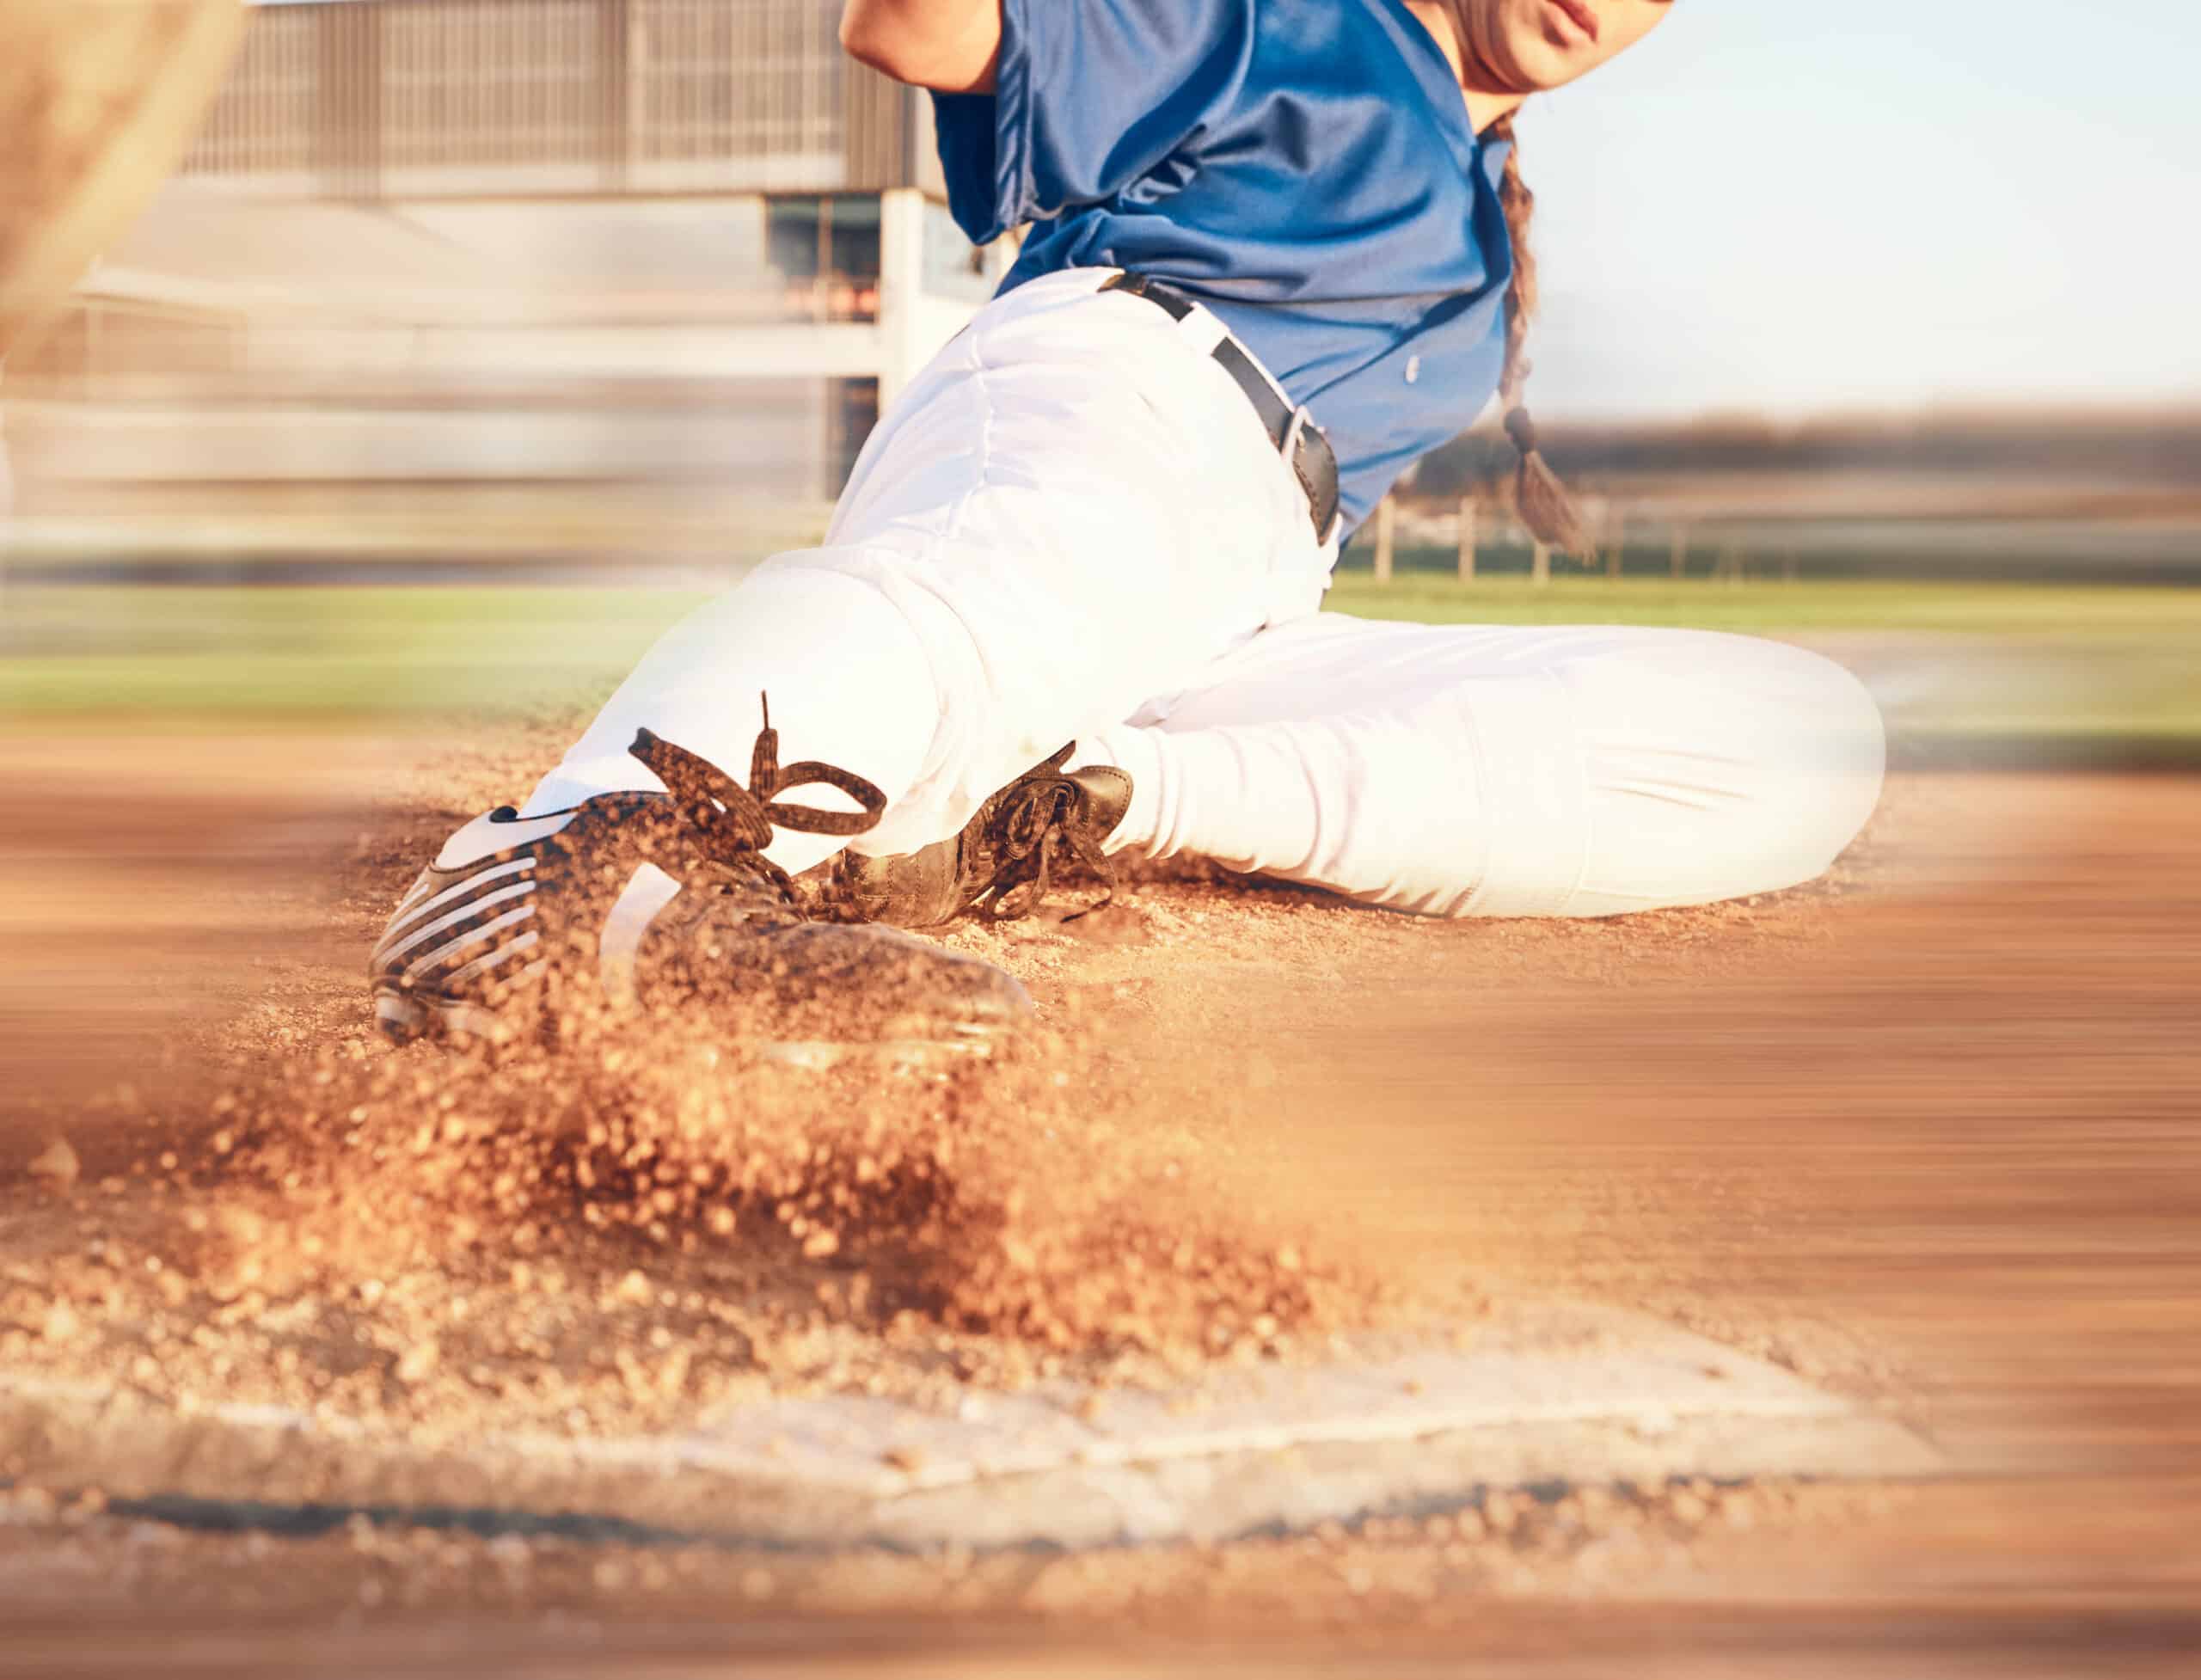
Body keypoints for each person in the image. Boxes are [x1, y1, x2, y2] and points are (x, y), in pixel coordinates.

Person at [370, 0, 1885, 1060]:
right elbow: (919, 28)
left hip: (1247, 601)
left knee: (1809, 736)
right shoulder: (1293, 19)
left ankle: (1082, 801)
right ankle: (558, 868)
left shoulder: (1490, 200)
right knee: (997, 597)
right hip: (1122, 399)